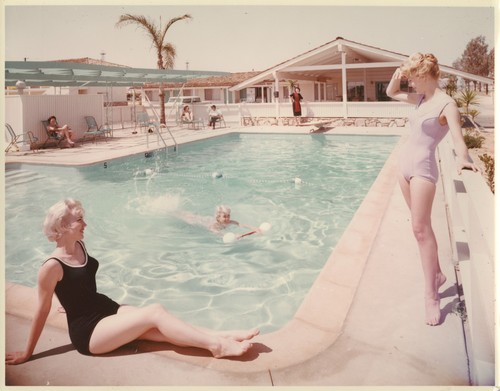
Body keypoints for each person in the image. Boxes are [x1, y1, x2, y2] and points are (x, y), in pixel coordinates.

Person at [5, 199, 259, 365]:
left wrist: (68, 300)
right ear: (63, 224)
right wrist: (28, 353)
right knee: (155, 312)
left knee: (160, 329)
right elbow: (42, 308)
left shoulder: (79, 244)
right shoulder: (51, 266)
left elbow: (73, 284)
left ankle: (221, 334)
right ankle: (217, 346)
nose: (85, 223)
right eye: (80, 219)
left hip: (105, 308)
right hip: (89, 332)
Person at [386, 53, 478, 326]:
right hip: (404, 167)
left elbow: (459, 141)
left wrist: (464, 159)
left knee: (420, 229)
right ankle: (436, 275)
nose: (409, 83)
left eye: (412, 78)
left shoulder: (447, 105)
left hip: (424, 170)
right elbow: (392, 92)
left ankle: (432, 297)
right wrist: (399, 72)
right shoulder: (421, 100)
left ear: (424, 76)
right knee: (419, 228)